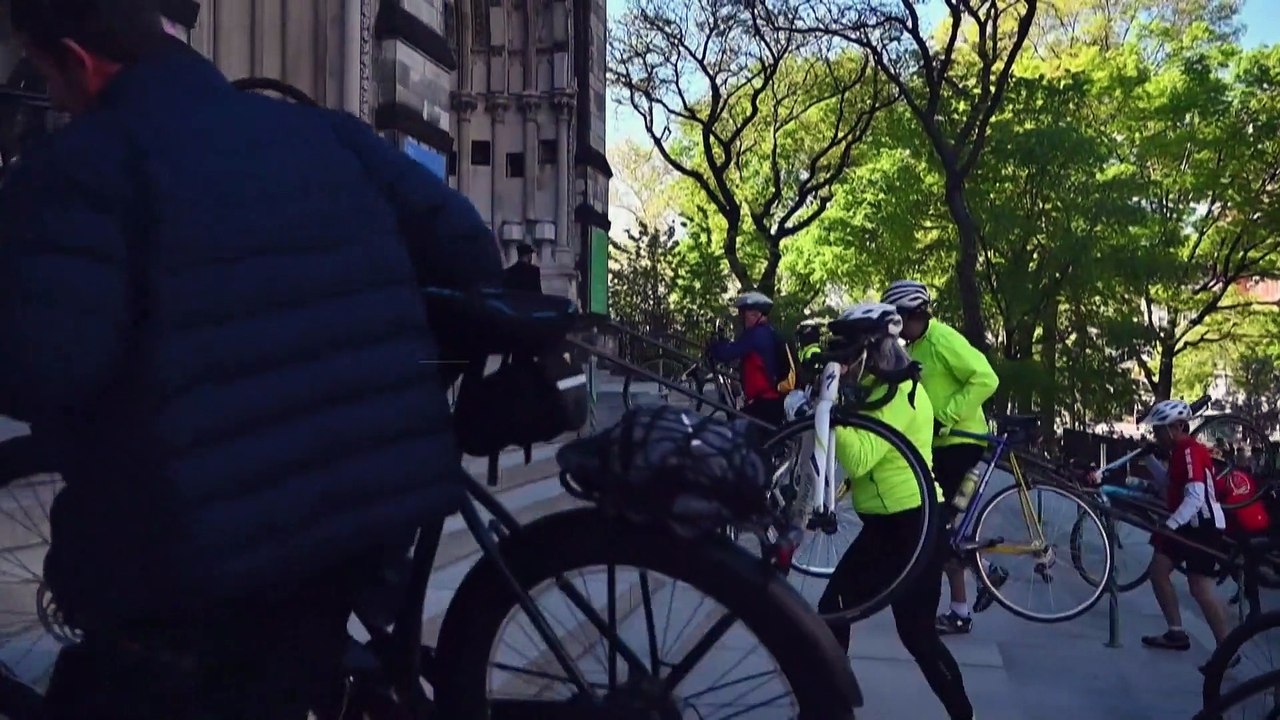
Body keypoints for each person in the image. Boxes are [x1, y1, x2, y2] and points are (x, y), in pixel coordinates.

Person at [0, 2, 502, 717]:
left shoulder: (78, 166)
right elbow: (469, 252)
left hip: (202, 564)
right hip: (375, 512)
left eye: (46, 72)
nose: (49, 96)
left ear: (77, 60)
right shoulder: (327, 131)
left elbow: (44, 369)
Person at [822, 302, 974, 720]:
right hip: (900, 524)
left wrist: (833, 415)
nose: (843, 360)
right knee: (854, 616)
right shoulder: (887, 387)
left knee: (901, 630)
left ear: (870, 351)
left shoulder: (898, 395)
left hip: (910, 525)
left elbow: (860, 457)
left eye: (849, 351)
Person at [880, 280, 1002, 635]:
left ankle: (984, 573)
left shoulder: (943, 339)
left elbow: (986, 378)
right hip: (938, 444)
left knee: (935, 525)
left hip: (962, 440)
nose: (896, 329)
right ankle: (962, 607)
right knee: (942, 528)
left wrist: (947, 414)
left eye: (899, 320)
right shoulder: (913, 346)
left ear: (913, 314)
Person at [1138, 399, 1233, 661]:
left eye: (1159, 430)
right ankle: (1176, 632)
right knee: (1158, 571)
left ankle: (1228, 648)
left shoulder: (1191, 451)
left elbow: (1195, 497)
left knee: (1200, 588)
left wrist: (1169, 526)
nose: (1156, 435)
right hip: (1185, 523)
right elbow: (1168, 485)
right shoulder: (1179, 453)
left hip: (1202, 526)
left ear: (1177, 427)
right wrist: (1148, 459)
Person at [707, 292, 785, 427]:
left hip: (764, 405)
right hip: (770, 402)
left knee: (734, 431)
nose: (741, 318)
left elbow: (728, 353)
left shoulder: (757, 334)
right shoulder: (767, 332)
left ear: (756, 314)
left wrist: (714, 346)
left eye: (744, 314)